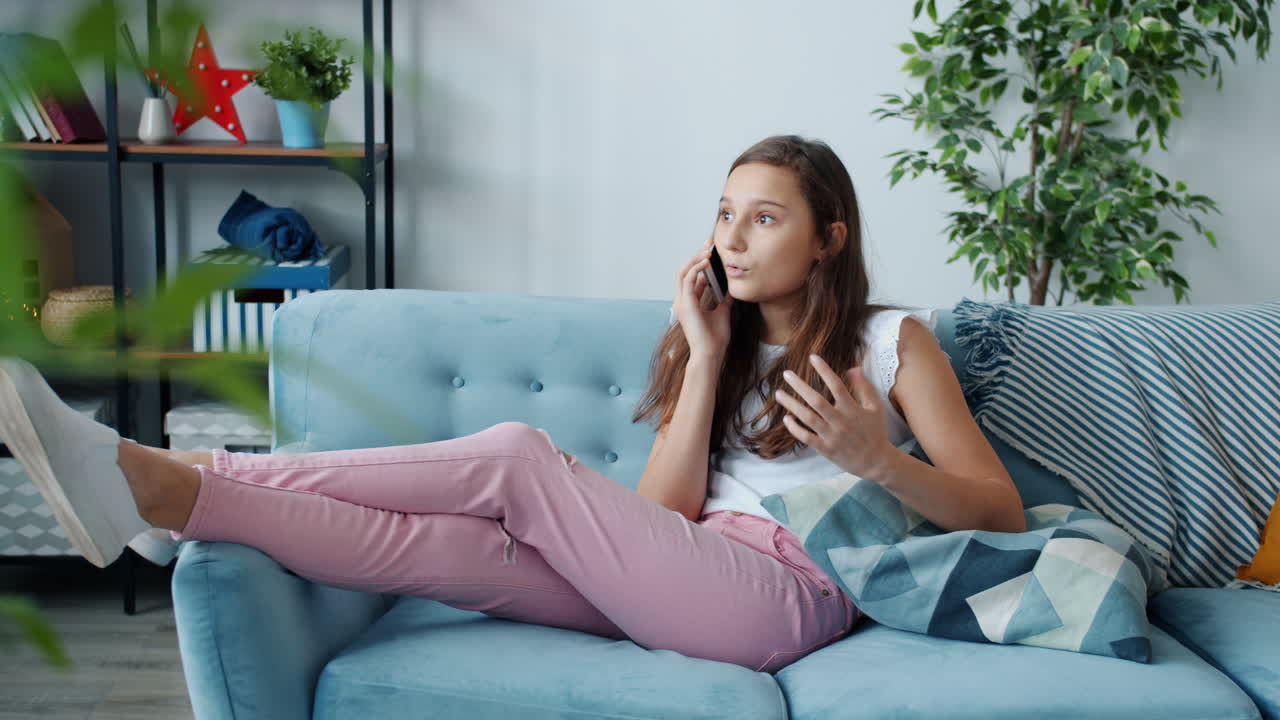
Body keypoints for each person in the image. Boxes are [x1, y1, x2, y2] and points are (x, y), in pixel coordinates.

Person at [0, 134, 1023, 675]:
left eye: (764, 217)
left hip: (787, 596)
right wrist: (706, 359)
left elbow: (1000, 510)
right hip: (691, 571)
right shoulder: (714, 337)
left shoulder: (892, 342)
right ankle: (171, 503)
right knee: (435, 557)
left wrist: (873, 460)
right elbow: (665, 520)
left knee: (514, 459)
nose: (734, 238)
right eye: (724, 214)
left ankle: (165, 474)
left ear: (828, 238)